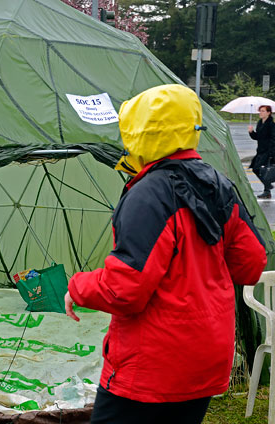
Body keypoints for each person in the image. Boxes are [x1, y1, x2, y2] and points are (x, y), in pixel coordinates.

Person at [63, 84, 267, 424]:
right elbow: (250, 265)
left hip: (152, 367)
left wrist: (78, 286)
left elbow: (125, 288)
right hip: (205, 360)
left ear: (138, 133)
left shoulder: (148, 195)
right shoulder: (219, 185)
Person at [248, 105, 275, 198]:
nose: (260, 113)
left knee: (263, 170)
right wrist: (251, 132)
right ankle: (268, 186)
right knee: (255, 169)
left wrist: (271, 153)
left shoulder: (272, 123)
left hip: (269, 151)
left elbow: (273, 138)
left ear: (268, 113)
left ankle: (267, 190)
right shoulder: (260, 122)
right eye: (260, 111)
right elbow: (257, 137)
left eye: (263, 111)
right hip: (260, 150)